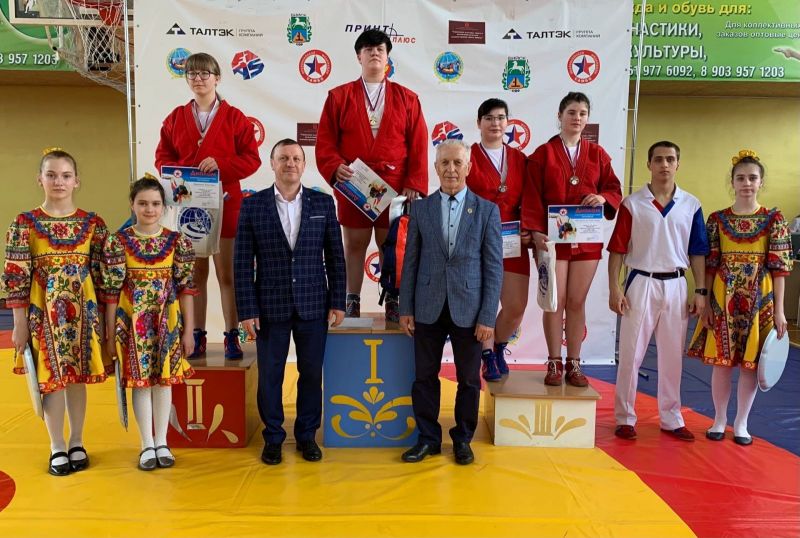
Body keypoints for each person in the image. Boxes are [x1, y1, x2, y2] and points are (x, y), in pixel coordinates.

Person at [234, 139, 346, 465]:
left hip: (314, 304)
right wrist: (247, 310)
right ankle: (273, 437)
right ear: (272, 164)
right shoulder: (253, 206)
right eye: (283, 158)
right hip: (269, 306)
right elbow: (242, 262)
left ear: (304, 164)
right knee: (271, 375)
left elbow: (335, 257)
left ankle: (307, 436)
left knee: (311, 374)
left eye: (296, 158)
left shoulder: (323, 203)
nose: (290, 163)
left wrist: (338, 301)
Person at [3, 148, 109, 476]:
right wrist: (19, 324)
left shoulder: (93, 224)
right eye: (51, 175)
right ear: (40, 179)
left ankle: (77, 440)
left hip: (83, 317)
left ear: (76, 181)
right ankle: (57, 445)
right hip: (43, 317)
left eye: (65, 175)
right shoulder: (25, 224)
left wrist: (105, 323)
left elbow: (104, 276)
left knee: (76, 378)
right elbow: (16, 277)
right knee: (51, 380)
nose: (58, 181)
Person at [399, 140, 503, 465]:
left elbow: (493, 267)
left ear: (468, 167)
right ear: (435, 167)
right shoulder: (420, 209)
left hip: (469, 310)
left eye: (457, 163)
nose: (451, 169)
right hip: (427, 305)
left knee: (469, 380)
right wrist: (406, 308)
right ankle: (428, 439)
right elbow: (410, 262)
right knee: (424, 377)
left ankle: (462, 440)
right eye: (444, 163)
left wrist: (488, 316)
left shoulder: (487, 211)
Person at [316, 28, 428, 322]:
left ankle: (393, 298)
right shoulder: (339, 96)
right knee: (354, 245)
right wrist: (334, 166)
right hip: (355, 183)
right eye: (368, 49)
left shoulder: (408, 98)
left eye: (380, 49)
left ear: (388, 56)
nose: (375, 53)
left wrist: (414, 183)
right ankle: (351, 299)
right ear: (359, 57)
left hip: (395, 185)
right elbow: (325, 140)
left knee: (391, 245)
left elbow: (419, 142)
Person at [155, 52, 261, 359]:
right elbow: (162, 159)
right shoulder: (175, 118)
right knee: (195, 275)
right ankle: (196, 334)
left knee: (228, 274)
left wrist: (222, 164)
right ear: (186, 78)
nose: (198, 79)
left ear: (217, 78)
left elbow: (251, 159)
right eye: (192, 74)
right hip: (190, 206)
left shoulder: (235, 117)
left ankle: (232, 336)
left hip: (226, 203)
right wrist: (181, 175)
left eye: (205, 74)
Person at [688, 150, 793, 446]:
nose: (747, 183)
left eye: (752, 178)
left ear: (761, 182)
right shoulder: (717, 220)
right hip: (724, 298)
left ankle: (742, 422)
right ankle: (719, 419)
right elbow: (710, 265)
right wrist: (707, 302)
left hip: (760, 300)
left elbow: (780, 269)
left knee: (752, 365)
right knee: (722, 363)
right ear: (732, 182)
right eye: (741, 178)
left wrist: (780, 311)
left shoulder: (774, 219)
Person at [607, 141, 709, 442]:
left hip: (677, 283)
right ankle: (625, 417)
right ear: (649, 164)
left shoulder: (691, 204)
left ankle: (671, 417)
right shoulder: (632, 204)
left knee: (673, 356)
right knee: (631, 354)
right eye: (659, 159)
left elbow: (698, 251)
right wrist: (614, 288)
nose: (665, 164)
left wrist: (700, 290)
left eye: (670, 159)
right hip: (641, 281)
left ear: (678, 164)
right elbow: (617, 250)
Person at [522, 91, 622, 387]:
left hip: (586, 240)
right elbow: (531, 196)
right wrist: (536, 232)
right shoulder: (542, 154)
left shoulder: (598, 154)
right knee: (555, 300)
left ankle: (574, 363)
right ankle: (554, 361)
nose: (577, 118)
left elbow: (613, 189)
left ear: (587, 118)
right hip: (552, 241)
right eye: (571, 112)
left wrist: (602, 197)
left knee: (577, 301)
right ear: (560, 116)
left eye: (582, 113)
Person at [103, 177, 197, 471]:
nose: (149, 209)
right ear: (132, 205)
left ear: (164, 206)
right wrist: (110, 335)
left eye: (155, 203)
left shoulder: (177, 242)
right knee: (141, 382)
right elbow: (111, 293)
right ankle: (146, 444)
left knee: (163, 381)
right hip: (133, 326)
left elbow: (186, 289)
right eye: (142, 203)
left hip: (166, 323)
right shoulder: (118, 242)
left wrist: (189, 330)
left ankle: (162, 441)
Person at [465, 98, 530, 382]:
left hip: (513, 239)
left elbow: (531, 198)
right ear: (479, 123)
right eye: (489, 118)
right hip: (478, 239)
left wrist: (529, 227)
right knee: (484, 302)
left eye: (501, 117)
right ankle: (488, 355)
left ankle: (499, 345)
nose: (495, 123)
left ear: (508, 122)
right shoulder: (467, 157)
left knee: (516, 306)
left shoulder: (520, 159)